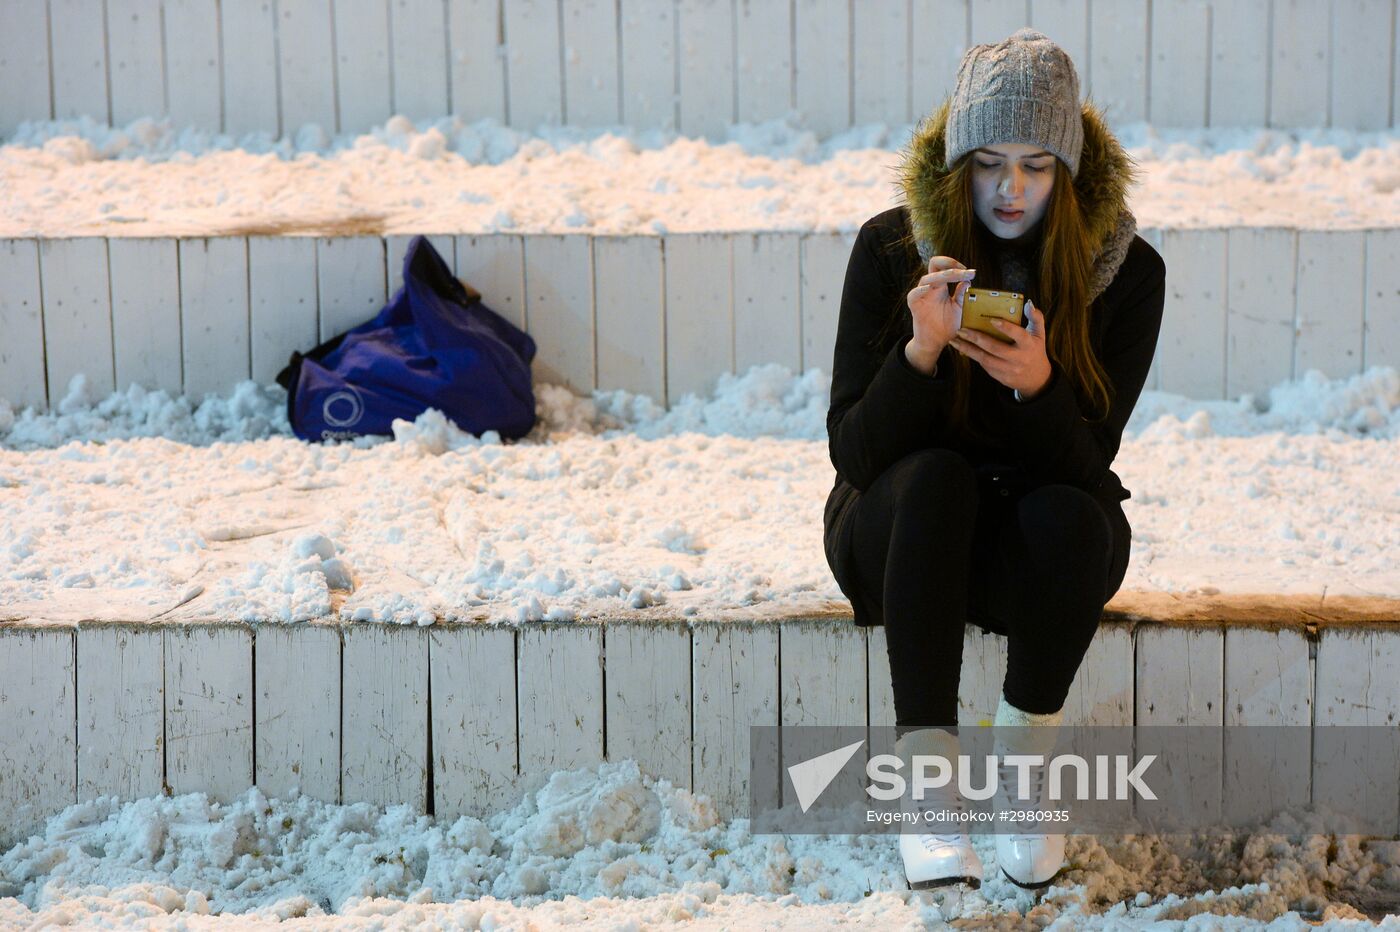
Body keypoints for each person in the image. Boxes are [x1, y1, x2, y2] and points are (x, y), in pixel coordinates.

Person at [821, 28, 1166, 893]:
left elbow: (1090, 467)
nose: (1011, 188)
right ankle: (930, 797)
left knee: (1077, 517)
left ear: (1071, 172)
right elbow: (853, 452)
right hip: (903, 535)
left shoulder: (1125, 275)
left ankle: (1024, 777)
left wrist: (1040, 388)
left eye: (1038, 164)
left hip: (1030, 545)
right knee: (936, 480)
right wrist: (920, 359)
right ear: (956, 163)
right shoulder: (890, 250)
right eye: (989, 161)